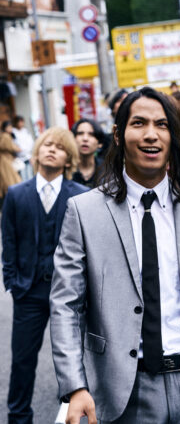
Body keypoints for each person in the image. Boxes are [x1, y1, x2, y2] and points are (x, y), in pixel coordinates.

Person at [50, 87, 180, 424]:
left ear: (173, 136)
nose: (151, 134)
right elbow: (66, 306)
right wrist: (75, 386)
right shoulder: (84, 212)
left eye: (162, 125)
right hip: (127, 392)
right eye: (139, 123)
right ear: (118, 134)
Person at [2, 127, 87, 424]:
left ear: (69, 159)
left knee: (76, 357)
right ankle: (18, 417)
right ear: (36, 152)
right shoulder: (16, 194)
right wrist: (12, 284)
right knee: (22, 360)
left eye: (60, 147)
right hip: (28, 291)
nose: (52, 149)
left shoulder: (81, 196)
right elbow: (9, 243)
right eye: (47, 144)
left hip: (70, 293)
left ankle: (72, 413)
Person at [71, 118, 104, 189]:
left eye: (91, 134)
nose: (85, 138)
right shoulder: (65, 170)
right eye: (80, 133)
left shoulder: (108, 170)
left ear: (100, 143)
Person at [0, 120, 21, 203]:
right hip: (6, 160)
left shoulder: (5, 135)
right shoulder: (5, 136)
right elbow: (9, 146)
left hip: (6, 159)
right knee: (11, 180)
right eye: (9, 127)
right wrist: (17, 148)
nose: (11, 129)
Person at [12, 116, 34, 181]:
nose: (21, 124)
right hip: (19, 157)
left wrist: (30, 153)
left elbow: (30, 142)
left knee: (30, 174)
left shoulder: (25, 131)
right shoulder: (13, 132)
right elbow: (14, 144)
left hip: (28, 155)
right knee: (23, 175)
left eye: (22, 122)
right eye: (19, 122)